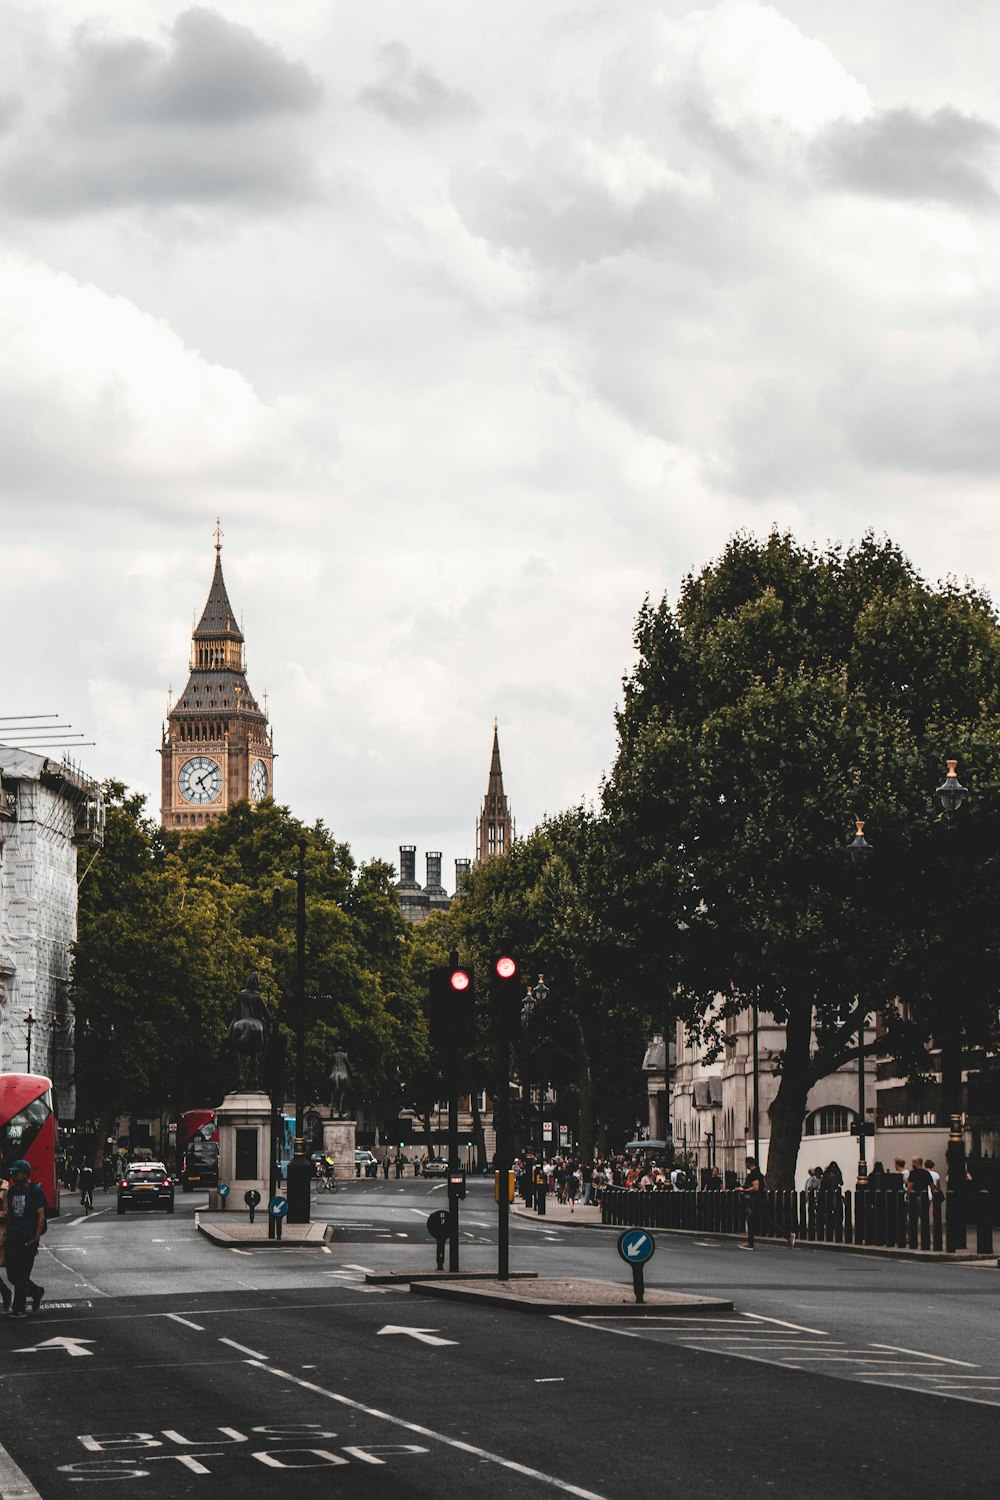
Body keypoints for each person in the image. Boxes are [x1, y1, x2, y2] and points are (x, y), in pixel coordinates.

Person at [4, 1159, 45, 1317]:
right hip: (13, 1236)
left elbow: (41, 1216)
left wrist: (36, 1239)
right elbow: (10, 1215)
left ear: (26, 1174)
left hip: (28, 1236)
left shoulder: (34, 1190)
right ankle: (35, 1291)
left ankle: (18, 1308)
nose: (14, 1175)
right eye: (13, 1172)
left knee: (22, 1275)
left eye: (18, 1172)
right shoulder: (12, 1191)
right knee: (12, 1275)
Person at [738, 1155, 766, 1249]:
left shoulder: (754, 1173)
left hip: (759, 1201)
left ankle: (750, 1243)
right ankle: (788, 1235)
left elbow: (756, 1187)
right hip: (762, 1199)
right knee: (768, 1221)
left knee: (750, 1220)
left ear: (748, 1163)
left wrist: (743, 1190)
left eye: (746, 1163)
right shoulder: (760, 1174)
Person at [0, 1169, 10, 1312]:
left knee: (15, 1272)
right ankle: (5, 1292)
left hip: (2, 1235)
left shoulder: (6, 1191)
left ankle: (34, 1290)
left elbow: (8, 1213)